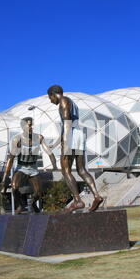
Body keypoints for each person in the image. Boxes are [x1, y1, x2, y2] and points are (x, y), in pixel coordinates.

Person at [47, 85, 104, 213]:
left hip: (71, 135)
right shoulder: (72, 103)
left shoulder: (63, 100)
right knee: (81, 170)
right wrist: (56, 143)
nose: (50, 101)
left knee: (65, 170)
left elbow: (67, 121)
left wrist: (65, 141)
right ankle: (97, 196)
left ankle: (77, 200)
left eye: (49, 97)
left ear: (53, 94)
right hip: (78, 134)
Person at [0, 117, 57, 214]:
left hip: (33, 168)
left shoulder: (39, 138)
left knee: (38, 193)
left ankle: (33, 203)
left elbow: (49, 152)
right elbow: (11, 158)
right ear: (23, 126)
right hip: (21, 168)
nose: (31, 127)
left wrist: (55, 165)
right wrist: (4, 179)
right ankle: (21, 205)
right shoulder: (17, 139)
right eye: (29, 125)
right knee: (14, 187)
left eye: (32, 125)